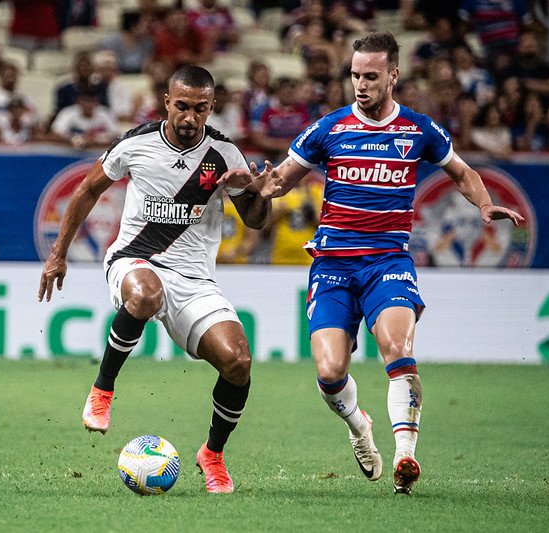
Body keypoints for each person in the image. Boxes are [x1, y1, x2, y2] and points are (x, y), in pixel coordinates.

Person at [221, 32, 523, 495]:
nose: (360, 85)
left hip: (388, 262)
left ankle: (405, 456)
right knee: (329, 373)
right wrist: (255, 185)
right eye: (355, 76)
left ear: (393, 76)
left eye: (370, 76)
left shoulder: (418, 129)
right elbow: (279, 181)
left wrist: (484, 205)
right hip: (333, 266)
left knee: (398, 350)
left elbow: (461, 172)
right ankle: (359, 426)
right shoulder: (330, 128)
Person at [38, 65, 271, 494]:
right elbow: (88, 190)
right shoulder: (136, 143)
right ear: (166, 102)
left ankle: (212, 454)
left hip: (195, 281)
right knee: (146, 294)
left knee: (238, 362)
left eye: (200, 108)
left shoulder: (226, 154)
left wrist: (257, 192)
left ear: (211, 108)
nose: (189, 117)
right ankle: (102, 390)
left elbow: (255, 221)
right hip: (134, 261)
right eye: (181, 106)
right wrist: (58, 253)